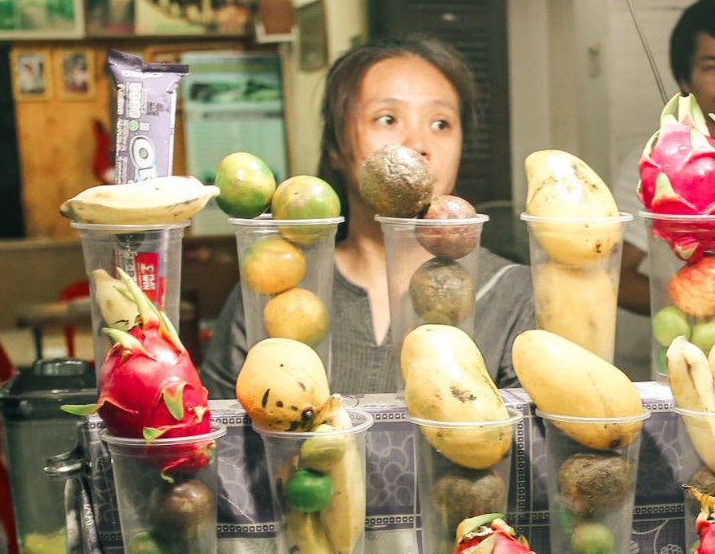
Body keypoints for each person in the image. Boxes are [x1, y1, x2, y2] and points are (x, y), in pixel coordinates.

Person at [199, 36, 536, 398]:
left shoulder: (514, 294)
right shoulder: (276, 286)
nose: (417, 143)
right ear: (336, 147)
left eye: (441, 123)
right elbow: (221, 440)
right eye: (387, 118)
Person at [616, 0, 715, 341]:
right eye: (712, 66)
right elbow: (616, 277)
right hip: (691, 351)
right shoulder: (653, 166)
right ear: (684, 79)